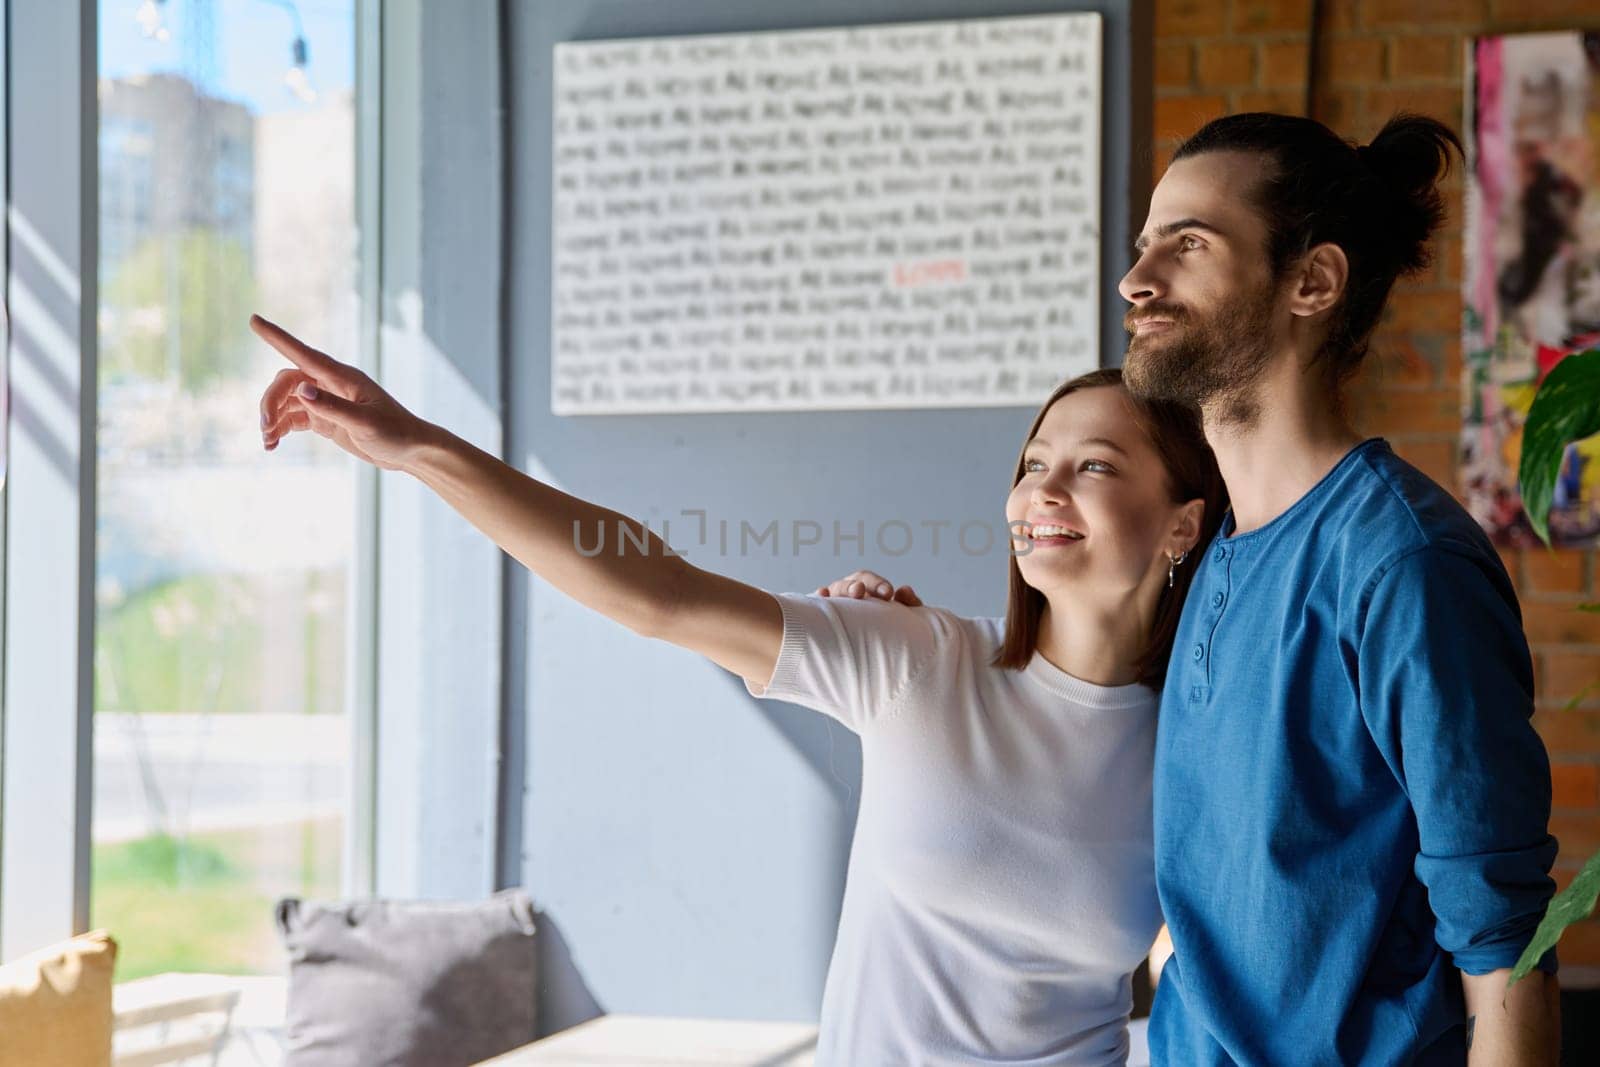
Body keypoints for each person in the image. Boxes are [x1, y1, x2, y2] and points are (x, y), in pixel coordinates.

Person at [256, 324, 1227, 1065]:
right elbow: (656, 591)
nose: (1040, 492)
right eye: (1031, 464)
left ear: (1182, 524)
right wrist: (422, 446)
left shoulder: (1203, 745)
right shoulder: (916, 657)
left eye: (1093, 466)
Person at [830, 111, 1563, 1065]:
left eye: (1189, 245)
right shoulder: (1212, 552)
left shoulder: (1403, 564)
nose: (1137, 281)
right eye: (1144, 247)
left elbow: (1506, 947)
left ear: (1313, 281)